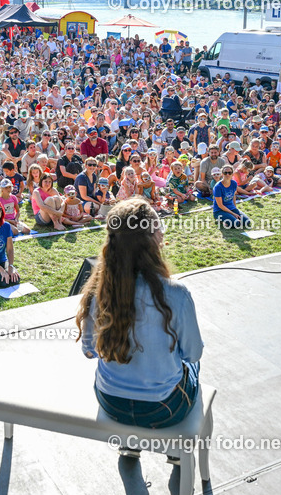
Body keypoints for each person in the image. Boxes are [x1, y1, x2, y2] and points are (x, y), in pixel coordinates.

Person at [75, 198, 203, 440]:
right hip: (162, 409)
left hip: (111, 402)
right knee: (193, 366)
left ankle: (129, 446)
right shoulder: (176, 294)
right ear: (153, 239)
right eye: (160, 226)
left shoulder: (97, 291)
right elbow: (193, 354)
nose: (163, 232)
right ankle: (177, 453)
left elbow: (89, 351)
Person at [213, 164, 252, 229]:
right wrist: (233, 214)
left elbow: (233, 196)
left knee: (247, 222)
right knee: (236, 224)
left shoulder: (234, 183)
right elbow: (220, 205)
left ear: (232, 174)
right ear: (222, 174)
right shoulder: (218, 187)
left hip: (231, 208)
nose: (227, 174)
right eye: (225, 173)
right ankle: (221, 220)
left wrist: (235, 209)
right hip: (219, 211)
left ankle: (229, 218)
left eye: (229, 173)